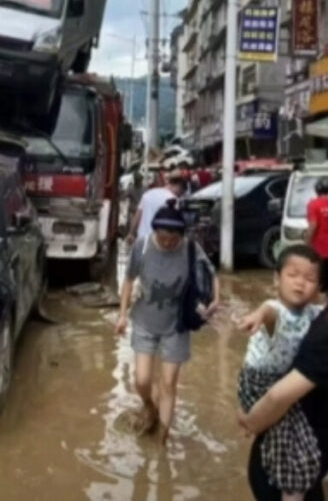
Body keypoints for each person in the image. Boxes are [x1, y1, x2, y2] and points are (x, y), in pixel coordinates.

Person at [115, 201, 220, 445]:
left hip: (176, 324)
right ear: (155, 232)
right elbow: (128, 281)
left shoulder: (191, 248)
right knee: (142, 380)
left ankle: (162, 440)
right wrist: (122, 315)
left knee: (169, 382)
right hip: (144, 321)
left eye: (174, 240)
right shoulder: (142, 247)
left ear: (181, 236)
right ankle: (149, 406)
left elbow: (212, 273)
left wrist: (216, 299)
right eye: (163, 238)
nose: (168, 244)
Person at [237, 245, 325, 501]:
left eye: (309, 279)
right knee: (295, 445)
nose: (300, 283)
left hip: (281, 382)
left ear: (319, 287)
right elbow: (269, 311)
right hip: (261, 381)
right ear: (276, 279)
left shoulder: (313, 313)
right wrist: (257, 316)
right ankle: (292, 492)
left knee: (288, 439)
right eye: (292, 275)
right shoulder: (277, 310)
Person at [128, 175, 187, 246]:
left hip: (142, 238)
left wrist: (131, 233)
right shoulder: (173, 199)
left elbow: (137, 215)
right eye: (181, 191)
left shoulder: (147, 194)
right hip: (160, 241)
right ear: (176, 186)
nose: (180, 195)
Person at [306, 178, 328, 292]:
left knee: (319, 284)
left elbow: (313, 226)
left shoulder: (313, 204)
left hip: (321, 250)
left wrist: (307, 242)